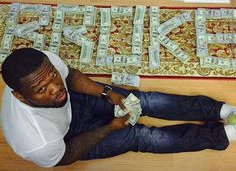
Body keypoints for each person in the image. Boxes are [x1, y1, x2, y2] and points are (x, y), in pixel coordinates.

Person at [1, 48, 236, 168]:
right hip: (69, 139)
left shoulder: (42, 65)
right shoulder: (37, 142)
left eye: (52, 76)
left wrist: (107, 92)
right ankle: (220, 135)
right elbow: (65, 156)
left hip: (75, 102)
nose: (55, 87)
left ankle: (219, 110)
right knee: (139, 135)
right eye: (42, 89)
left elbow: (69, 77)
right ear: (20, 97)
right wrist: (110, 128)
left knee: (139, 101)